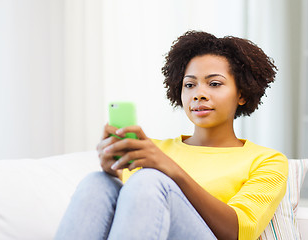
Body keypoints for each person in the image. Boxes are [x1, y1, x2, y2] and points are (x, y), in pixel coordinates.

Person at [55, 30, 288, 240]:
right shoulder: (152, 151)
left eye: (214, 84)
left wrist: (169, 171)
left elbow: (237, 232)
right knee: (97, 182)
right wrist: (113, 171)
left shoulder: (267, 161)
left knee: (151, 179)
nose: (199, 94)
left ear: (242, 94)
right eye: (190, 85)